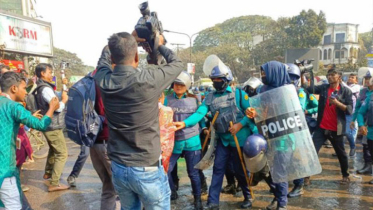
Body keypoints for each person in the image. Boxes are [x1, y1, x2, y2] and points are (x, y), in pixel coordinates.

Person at [93, 32, 183, 210]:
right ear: (136, 56)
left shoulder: (103, 79)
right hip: (146, 166)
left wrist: (128, 39)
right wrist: (158, 44)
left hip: (119, 166)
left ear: (112, 57)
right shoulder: (148, 79)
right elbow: (177, 64)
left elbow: (103, 59)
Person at [174, 58, 257, 209]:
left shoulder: (239, 94)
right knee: (218, 169)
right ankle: (213, 202)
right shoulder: (210, 97)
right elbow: (200, 112)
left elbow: (250, 113)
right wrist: (185, 123)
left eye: (219, 79)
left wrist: (240, 125)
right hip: (223, 141)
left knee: (240, 171)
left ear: (226, 79)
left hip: (239, 140)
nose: (216, 81)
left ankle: (247, 195)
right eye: (214, 79)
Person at [0, 71, 59, 209]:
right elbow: (40, 124)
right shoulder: (13, 106)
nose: (26, 93)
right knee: (13, 206)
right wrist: (51, 108)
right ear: (14, 88)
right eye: (24, 88)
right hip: (5, 169)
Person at [246, 61, 292, 210]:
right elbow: (259, 112)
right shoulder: (263, 90)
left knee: (280, 172)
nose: (263, 75)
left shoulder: (288, 91)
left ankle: (282, 204)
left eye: (265, 73)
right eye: (262, 73)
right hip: (266, 136)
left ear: (275, 72)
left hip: (284, 139)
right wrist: (252, 113)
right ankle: (277, 196)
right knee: (266, 171)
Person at [302, 68, 353, 184]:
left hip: (336, 129)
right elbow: (307, 88)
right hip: (322, 127)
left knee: (341, 154)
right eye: (328, 75)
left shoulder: (346, 91)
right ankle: (307, 177)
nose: (329, 77)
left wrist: (337, 103)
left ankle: (345, 175)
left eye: (332, 75)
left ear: (339, 77)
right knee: (312, 151)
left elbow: (349, 110)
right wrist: (302, 74)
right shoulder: (324, 88)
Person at [165, 71, 205, 210]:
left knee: (193, 172)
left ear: (187, 86)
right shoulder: (167, 99)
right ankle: (171, 192)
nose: (178, 86)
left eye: (181, 84)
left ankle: (197, 199)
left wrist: (185, 123)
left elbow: (201, 114)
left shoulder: (195, 99)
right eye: (176, 84)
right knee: (167, 170)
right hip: (174, 141)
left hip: (192, 141)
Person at [34, 63, 69, 192]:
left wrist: (63, 88)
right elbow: (57, 106)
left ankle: (48, 173)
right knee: (62, 153)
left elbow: (56, 96)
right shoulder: (46, 89)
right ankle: (54, 183)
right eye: (49, 72)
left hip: (49, 125)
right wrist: (64, 101)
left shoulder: (42, 87)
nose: (51, 75)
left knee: (54, 150)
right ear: (42, 73)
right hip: (53, 126)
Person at [354, 71, 373, 174]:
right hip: (369, 129)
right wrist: (360, 124)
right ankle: (368, 167)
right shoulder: (368, 96)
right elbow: (360, 111)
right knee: (367, 148)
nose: (367, 80)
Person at [338, 73, 360, 157]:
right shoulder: (344, 86)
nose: (350, 79)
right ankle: (341, 151)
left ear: (356, 80)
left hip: (352, 113)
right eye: (349, 77)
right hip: (342, 112)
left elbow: (349, 91)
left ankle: (353, 146)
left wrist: (341, 82)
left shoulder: (357, 87)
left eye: (352, 77)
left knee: (347, 132)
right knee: (340, 133)